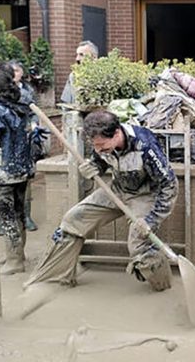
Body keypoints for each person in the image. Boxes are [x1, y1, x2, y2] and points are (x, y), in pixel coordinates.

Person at [24, 110, 177, 291]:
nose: (98, 150)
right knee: (73, 220)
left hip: (145, 195)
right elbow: (100, 160)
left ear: (117, 133)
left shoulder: (145, 146)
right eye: (95, 146)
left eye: (102, 146)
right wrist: (94, 166)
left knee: (139, 242)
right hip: (117, 190)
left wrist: (151, 220)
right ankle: (55, 279)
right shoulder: (101, 142)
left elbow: (169, 185)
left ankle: (163, 286)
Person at [0, 70, 35, 274]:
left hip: (4, 170)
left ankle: (14, 260)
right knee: (20, 212)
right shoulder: (21, 106)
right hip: (23, 167)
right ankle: (18, 255)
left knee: (7, 214)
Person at [9, 59, 41, 232]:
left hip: (25, 139)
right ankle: (6, 218)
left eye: (18, 70)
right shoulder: (1, 89)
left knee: (26, 180)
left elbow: (35, 111)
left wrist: (34, 125)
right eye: (12, 70)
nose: (15, 73)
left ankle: (26, 216)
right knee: (5, 182)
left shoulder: (28, 90)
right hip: (7, 140)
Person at [60, 40, 99, 106]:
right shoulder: (73, 76)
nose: (77, 59)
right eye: (77, 55)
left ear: (94, 57)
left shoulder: (103, 77)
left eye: (81, 55)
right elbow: (66, 103)